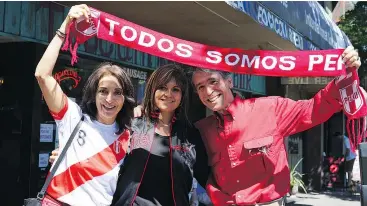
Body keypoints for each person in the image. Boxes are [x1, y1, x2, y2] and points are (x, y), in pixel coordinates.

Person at [190, 46, 361, 206]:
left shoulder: (270, 109)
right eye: (201, 87)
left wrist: (345, 73)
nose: (208, 91)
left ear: (229, 82)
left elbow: (314, 109)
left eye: (213, 81)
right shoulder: (202, 129)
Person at [34, 4, 135, 206]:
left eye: (117, 93)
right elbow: (42, 75)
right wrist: (65, 25)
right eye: (103, 91)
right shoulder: (73, 117)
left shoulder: (129, 137)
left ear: (125, 99)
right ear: (93, 93)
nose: (109, 99)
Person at [111, 64, 209, 206]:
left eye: (175, 89)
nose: (168, 94)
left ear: (182, 96)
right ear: (153, 90)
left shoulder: (190, 135)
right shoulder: (134, 125)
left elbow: (208, 178)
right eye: (162, 87)